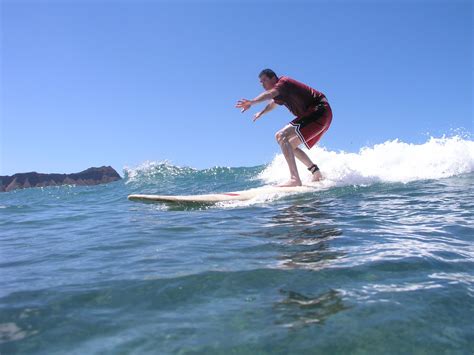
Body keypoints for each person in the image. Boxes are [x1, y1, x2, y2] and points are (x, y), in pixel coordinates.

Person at [236, 69, 333, 187]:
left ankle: (294, 179)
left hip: (319, 111)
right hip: (321, 115)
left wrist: (252, 102)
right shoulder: (281, 92)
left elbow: (270, 94)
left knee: (281, 135)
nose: (262, 84)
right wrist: (261, 113)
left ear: (273, 78)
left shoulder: (284, 83)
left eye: (264, 80)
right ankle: (316, 173)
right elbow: (273, 103)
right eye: (260, 82)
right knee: (290, 146)